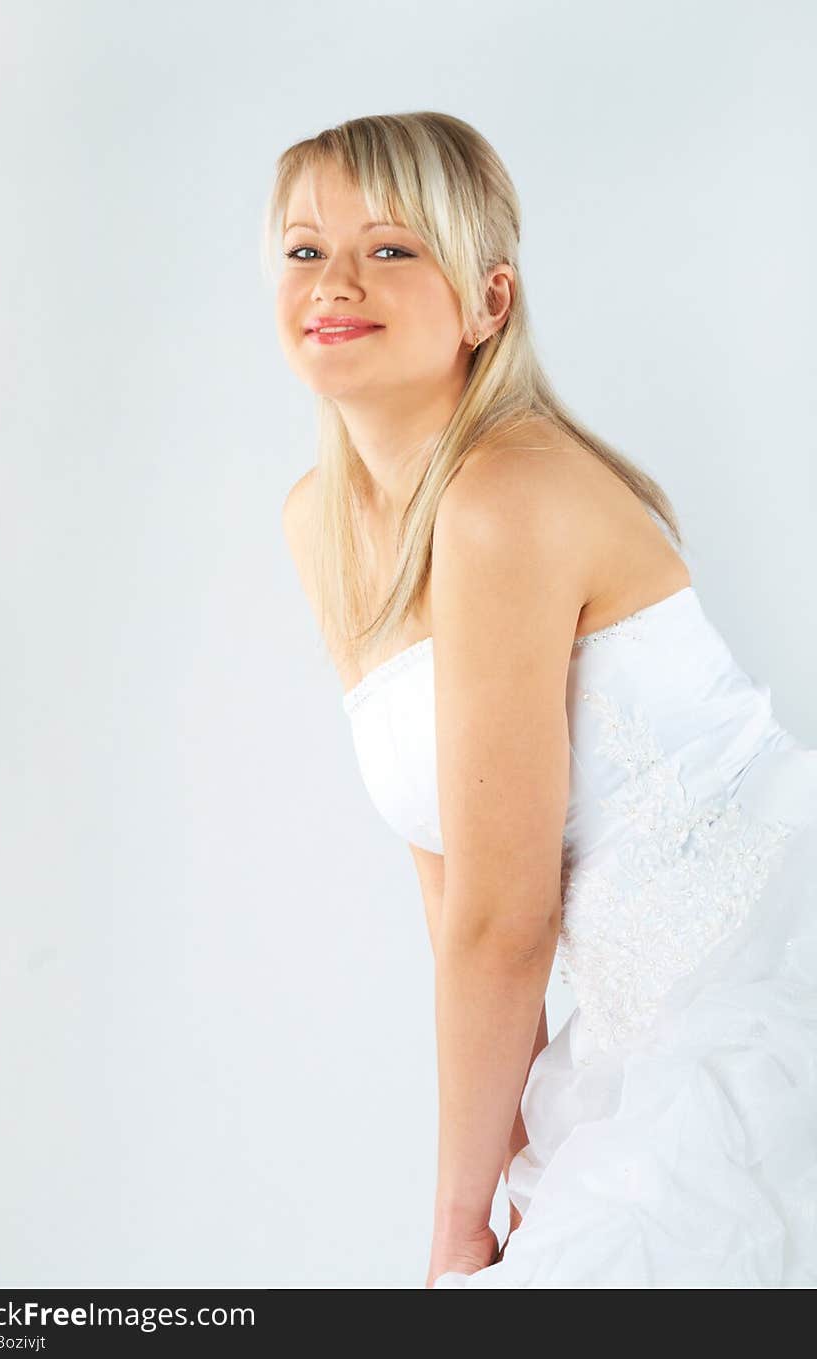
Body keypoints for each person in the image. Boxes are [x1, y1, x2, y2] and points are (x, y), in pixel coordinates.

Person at [267, 110, 817, 1288]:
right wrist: (504, 1161)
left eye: (393, 247)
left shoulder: (503, 498)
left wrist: (456, 1230)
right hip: (627, 1029)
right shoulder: (321, 522)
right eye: (305, 249)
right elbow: (448, 875)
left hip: (763, 982)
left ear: (489, 300)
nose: (335, 282)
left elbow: (505, 919)